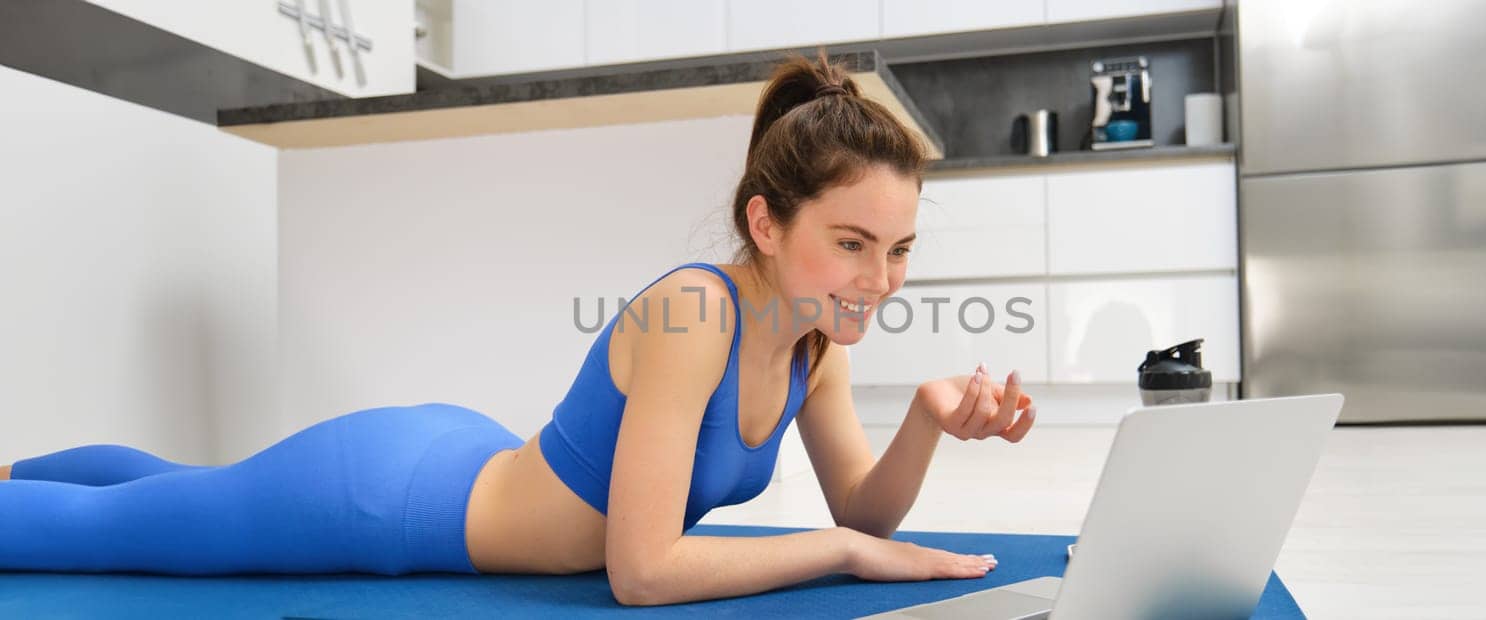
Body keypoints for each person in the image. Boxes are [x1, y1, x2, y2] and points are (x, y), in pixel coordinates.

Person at [0, 50, 1037, 606]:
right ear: (765, 222)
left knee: (183, 492)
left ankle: (17, 468)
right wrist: (838, 553)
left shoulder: (811, 345)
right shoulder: (693, 312)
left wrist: (927, 424)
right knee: (118, 532)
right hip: (394, 501)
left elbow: (867, 507)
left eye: (897, 249)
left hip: (473, 455)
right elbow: (643, 571)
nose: (880, 278)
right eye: (853, 242)